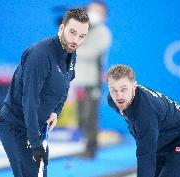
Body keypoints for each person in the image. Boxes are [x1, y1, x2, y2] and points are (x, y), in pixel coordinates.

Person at [0, 8, 89, 177]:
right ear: (61, 28)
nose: (76, 40)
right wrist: (35, 143)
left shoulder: (70, 52)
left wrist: (56, 111)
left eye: (82, 36)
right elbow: (29, 100)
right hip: (16, 126)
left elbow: (66, 83)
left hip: (36, 127)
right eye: (72, 32)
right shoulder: (40, 55)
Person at [106, 64, 180, 177]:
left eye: (123, 89)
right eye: (113, 90)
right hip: (163, 140)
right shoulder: (112, 100)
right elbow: (132, 121)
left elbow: (145, 154)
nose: (119, 96)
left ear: (134, 86)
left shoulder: (145, 112)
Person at [74, 0, 112, 158]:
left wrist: (75, 46)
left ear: (105, 16)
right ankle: (86, 145)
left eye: (98, 12)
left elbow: (89, 53)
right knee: (81, 117)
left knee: (91, 116)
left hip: (93, 82)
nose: (94, 14)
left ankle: (91, 149)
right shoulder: (82, 28)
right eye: (91, 11)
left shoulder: (103, 32)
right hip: (79, 81)